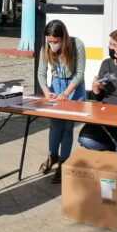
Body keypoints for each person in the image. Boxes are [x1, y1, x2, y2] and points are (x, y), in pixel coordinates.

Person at [37, 19, 86, 183]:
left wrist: (66, 93)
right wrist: (46, 92)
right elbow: (41, 74)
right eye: (49, 41)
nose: (52, 44)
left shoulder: (77, 44)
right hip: (56, 84)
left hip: (73, 87)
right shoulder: (46, 47)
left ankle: (64, 161)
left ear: (63, 38)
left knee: (67, 128)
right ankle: (52, 157)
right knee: (55, 126)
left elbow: (79, 74)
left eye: (55, 41)